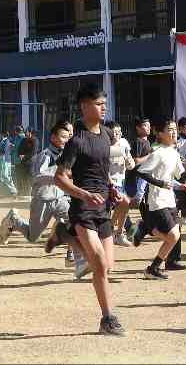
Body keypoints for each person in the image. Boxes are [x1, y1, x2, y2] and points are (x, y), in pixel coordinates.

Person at [54, 84, 128, 335]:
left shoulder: (106, 134)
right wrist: (85, 194)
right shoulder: (76, 140)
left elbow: (101, 170)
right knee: (98, 264)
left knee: (108, 265)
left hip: (103, 208)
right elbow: (60, 178)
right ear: (84, 107)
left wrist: (110, 188)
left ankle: (65, 235)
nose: (104, 107)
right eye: (98, 103)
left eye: (104, 103)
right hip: (83, 208)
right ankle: (108, 318)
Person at [0, 121, 75, 250]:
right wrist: (58, 178)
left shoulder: (65, 155)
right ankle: (14, 219)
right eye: (63, 136)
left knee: (74, 222)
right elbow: (38, 176)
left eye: (68, 137)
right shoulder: (46, 156)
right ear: (52, 137)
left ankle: (72, 255)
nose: (66, 140)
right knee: (32, 236)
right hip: (43, 200)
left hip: (60, 199)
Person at [130, 119, 186, 280]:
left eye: (175, 129)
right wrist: (160, 183)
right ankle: (152, 266)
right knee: (173, 236)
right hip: (157, 200)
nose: (174, 132)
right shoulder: (158, 153)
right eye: (170, 129)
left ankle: (153, 267)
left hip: (170, 200)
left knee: (174, 236)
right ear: (160, 133)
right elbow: (141, 172)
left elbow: (179, 174)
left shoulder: (174, 152)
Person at [107, 122, 135, 245]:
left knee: (124, 205)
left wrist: (128, 161)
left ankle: (117, 233)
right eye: (115, 132)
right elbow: (101, 167)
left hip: (121, 182)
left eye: (119, 132)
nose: (118, 134)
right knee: (120, 205)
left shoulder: (124, 143)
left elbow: (131, 164)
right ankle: (111, 233)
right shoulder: (104, 146)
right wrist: (110, 182)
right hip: (108, 184)